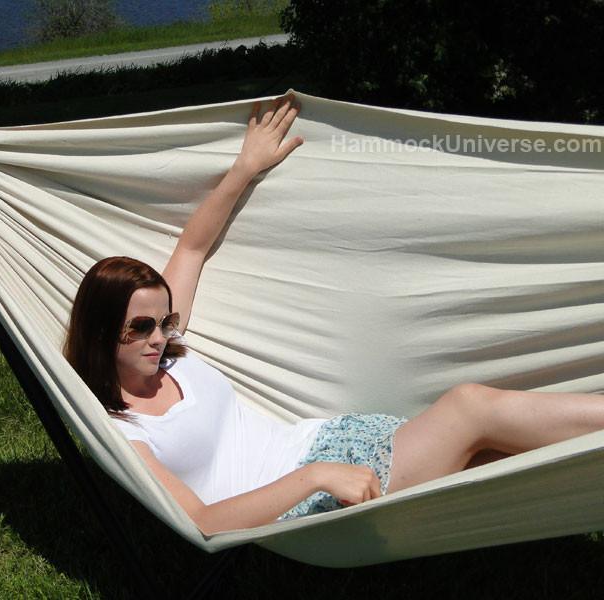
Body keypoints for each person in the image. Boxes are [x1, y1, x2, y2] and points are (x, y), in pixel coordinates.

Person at [63, 92, 604, 535]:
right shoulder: (122, 428)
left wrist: (245, 167)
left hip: (336, 445)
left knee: (502, 459)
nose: (160, 337)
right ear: (102, 329)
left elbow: (191, 249)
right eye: (142, 328)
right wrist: (315, 478)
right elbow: (201, 522)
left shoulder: (168, 356)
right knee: (471, 410)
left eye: (167, 322)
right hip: (307, 501)